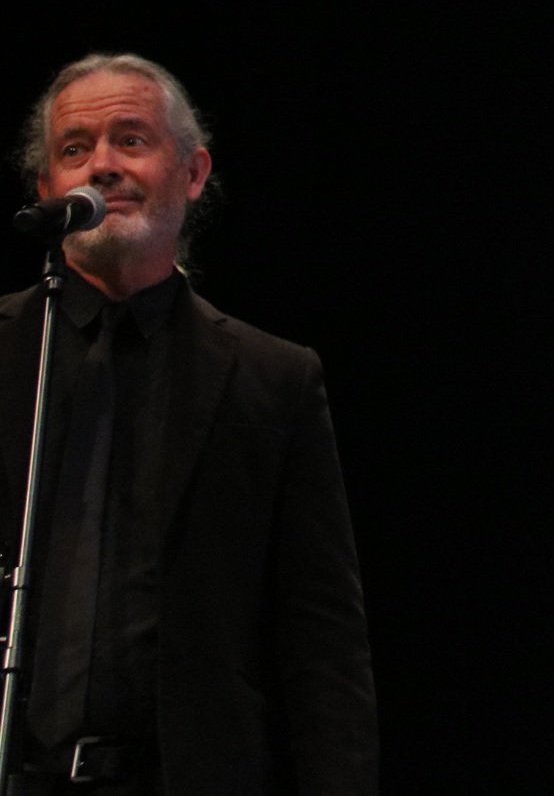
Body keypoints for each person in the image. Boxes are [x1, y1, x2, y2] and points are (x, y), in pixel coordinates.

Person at [0, 55, 376, 796]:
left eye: (130, 139)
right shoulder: (11, 349)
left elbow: (321, 640)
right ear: (46, 189)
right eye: (75, 148)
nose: (102, 164)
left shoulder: (273, 378)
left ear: (193, 172)